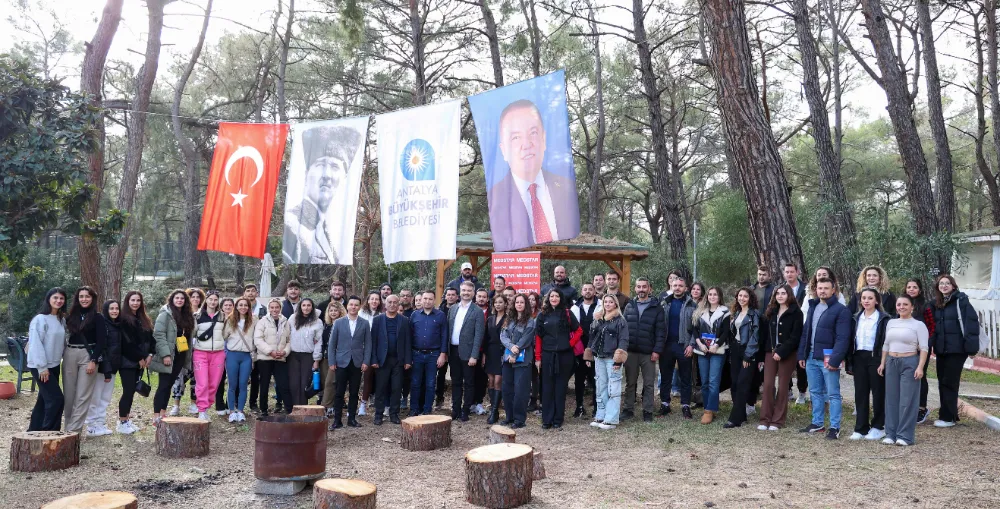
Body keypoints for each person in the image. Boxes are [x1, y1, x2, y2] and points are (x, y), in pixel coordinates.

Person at [488, 99, 581, 251]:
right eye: (516, 137)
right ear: (504, 150)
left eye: (533, 133)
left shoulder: (566, 188)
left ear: (543, 140)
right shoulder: (495, 197)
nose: (526, 144)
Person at [282, 124, 364, 264]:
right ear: (307, 174)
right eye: (321, 165)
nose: (327, 175)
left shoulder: (329, 231)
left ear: (344, 178)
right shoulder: (292, 223)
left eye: (334, 167)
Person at [797, 278, 852, 439]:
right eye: (820, 288)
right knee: (815, 392)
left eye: (826, 288)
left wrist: (835, 359)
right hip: (811, 357)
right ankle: (817, 423)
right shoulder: (812, 307)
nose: (822, 291)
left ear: (833, 290)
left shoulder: (841, 310)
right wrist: (802, 354)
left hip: (829, 358)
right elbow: (806, 332)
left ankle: (834, 427)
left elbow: (843, 338)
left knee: (833, 394)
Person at [879, 295, 930, 446]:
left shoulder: (918, 325)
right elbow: (886, 345)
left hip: (910, 362)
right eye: (899, 304)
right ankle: (890, 433)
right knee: (891, 399)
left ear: (912, 307)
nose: (901, 307)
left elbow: (924, 348)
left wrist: (920, 367)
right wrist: (883, 363)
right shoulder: (891, 322)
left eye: (905, 304)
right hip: (891, 362)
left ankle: (905, 436)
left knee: (907, 400)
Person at [931, 274, 980, 428]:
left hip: (957, 349)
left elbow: (971, 323)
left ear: (953, 286)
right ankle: (947, 414)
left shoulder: (961, 301)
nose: (944, 286)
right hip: (942, 349)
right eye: (941, 283)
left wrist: (972, 348)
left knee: (950, 383)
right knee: (942, 382)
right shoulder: (937, 303)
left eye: (947, 283)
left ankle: (948, 418)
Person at [533, 288, 583, 429]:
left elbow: (579, 330)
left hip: (564, 356)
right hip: (547, 356)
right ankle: (546, 419)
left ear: (561, 298)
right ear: (548, 298)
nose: (554, 298)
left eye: (557, 296)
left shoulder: (567, 313)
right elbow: (538, 337)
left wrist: (569, 344)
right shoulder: (542, 315)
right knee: (547, 388)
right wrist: (538, 357)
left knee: (560, 388)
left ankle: (558, 419)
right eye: (551, 296)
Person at [757, 285, 802, 430]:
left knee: (783, 386)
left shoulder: (796, 313)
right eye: (778, 293)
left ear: (789, 295)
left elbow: (796, 336)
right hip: (770, 352)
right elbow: (765, 336)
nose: (780, 296)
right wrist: (763, 356)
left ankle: (777, 421)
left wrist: (781, 351)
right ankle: (765, 419)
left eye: (783, 293)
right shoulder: (771, 312)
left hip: (788, 353)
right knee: (768, 385)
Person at [848, 287, 890, 441]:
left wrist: (883, 362)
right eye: (864, 298)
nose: (866, 301)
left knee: (878, 392)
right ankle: (861, 428)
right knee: (860, 393)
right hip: (859, 357)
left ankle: (878, 426)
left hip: (876, 358)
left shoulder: (884, 319)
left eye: (870, 298)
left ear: (877, 301)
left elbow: (886, 341)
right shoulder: (855, 317)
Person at [622, 277, 665, 422]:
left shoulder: (657, 307)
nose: (641, 289)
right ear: (635, 289)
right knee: (630, 382)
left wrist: (657, 351)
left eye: (644, 287)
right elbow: (624, 329)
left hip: (648, 352)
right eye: (639, 287)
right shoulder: (629, 306)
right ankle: (628, 409)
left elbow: (661, 332)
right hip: (631, 351)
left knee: (648, 383)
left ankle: (647, 411)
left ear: (649, 289)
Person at [63, 286, 106, 433]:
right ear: (77, 298)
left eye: (87, 296)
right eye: (81, 296)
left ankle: (73, 431)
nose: (84, 299)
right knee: (69, 394)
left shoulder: (98, 317)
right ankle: (67, 426)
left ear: (92, 298)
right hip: (70, 353)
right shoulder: (70, 316)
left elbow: (102, 341)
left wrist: (93, 360)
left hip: (88, 356)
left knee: (83, 395)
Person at [151, 290, 196, 426]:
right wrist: (165, 354)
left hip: (180, 355)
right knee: (163, 385)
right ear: (172, 299)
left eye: (182, 298)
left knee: (169, 385)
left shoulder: (187, 316)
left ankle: (163, 413)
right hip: (168, 355)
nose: (179, 300)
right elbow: (158, 335)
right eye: (177, 298)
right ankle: (156, 416)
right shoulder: (165, 314)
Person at [586, 294, 630, 430]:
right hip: (599, 357)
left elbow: (623, 340)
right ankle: (601, 415)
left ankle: (611, 419)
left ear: (615, 304)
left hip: (612, 358)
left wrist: (618, 359)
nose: (608, 304)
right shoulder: (599, 320)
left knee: (613, 389)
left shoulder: (620, 321)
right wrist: (589, 355)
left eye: (611, 302)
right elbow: (592, 338)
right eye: (606, 302)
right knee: (601, 387)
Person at [27, 288, 67, 432]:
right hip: (41, 366)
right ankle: (49, 432)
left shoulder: (60, 319)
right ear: (48, 299)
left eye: (61, 298)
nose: (58, 301)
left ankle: (33, 431)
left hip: (55, 364)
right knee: (57, 399)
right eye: (55, 297)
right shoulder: (40, 319)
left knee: (43, 400)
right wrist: (42, 367)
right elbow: (35, 344)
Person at [329, 295, 372, 428]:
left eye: (356, 305)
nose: (353, 307)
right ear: (347, 306)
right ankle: (337, 420)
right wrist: (332, 361)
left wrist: (366, 361)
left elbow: (368, 344)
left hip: (357, 361)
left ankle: (352, 419)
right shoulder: (339, 322)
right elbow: (332, 344)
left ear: (359, 307)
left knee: (354, 392)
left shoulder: (364, 323)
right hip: (341, 361)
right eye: (351, 304)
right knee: (339, 392)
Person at [447, 281, 486, 421]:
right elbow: (449, 330)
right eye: (463, 290)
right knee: (456, 382)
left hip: (469, 353)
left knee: (469, 382)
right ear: (460, 291)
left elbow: (479, 335)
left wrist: (474, 355)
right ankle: (455, 409)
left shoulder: (477, 311)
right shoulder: (453, 309)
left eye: (469, 291)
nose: (466, 293)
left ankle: (466, 410)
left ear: (473, 293)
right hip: (453, 350)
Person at [722, 288, 761, 429]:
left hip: (747, 352)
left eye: (745, 296)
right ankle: (742, 415)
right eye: (740, 296)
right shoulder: (737, 313)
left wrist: (748, 355)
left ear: (750, 298)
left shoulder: (754, 315)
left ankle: (735, 419)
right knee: (734, 384)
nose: (742, 298)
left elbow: (755, 337)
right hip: (735, 351)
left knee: (742, 384)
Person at [370, 294, 412, 425]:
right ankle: (378, 414)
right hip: (382, 361)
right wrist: (374, 359)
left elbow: (407, 342)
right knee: (381, 388)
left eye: (395, 302)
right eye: (390, 302)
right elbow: (373, 341)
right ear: (385, 304)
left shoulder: (404, 320)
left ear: (398, 304)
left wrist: (407, 360)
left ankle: (394, 414)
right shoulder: (377, 320)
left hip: (398, 360)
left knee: (396, 388)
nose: (392, 304)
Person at [659, 276, 697, 419]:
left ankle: (685, 406)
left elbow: (696, 328)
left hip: (684, 346)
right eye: (675, 285)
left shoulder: (692, 305)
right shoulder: (664, 304)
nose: (677, 288)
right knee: (666, 376)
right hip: (666, 346)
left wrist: (692, 345)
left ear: (686, 288)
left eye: (680, 286)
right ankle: (665, 404)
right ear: (671, 287)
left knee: (685, 378)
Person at [116, 290, 153, 434]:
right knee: (128, 391)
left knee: (132, 392)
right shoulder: (124, 319)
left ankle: (126, 419)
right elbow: (127, 342)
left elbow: (150, 339)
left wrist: (150, 354)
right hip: (128, 362)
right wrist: (139, 358)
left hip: (141, 361)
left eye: (138, 300)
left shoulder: (144, 318)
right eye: (133, 300)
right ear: (127, 302)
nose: (135, 303)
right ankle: (122, 421)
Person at [84, 300, 122, 437]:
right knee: (96, 397)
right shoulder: (102, 324)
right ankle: (91, 426)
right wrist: (105, 366)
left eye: (117, 308)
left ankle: (100, 423)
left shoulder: (118, 325)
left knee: (105, 398)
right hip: (102, 367)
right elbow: (102, 346)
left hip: (113, 366)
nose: (114, 311)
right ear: (106, 310)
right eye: (111, 308)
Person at [692, 286, 729, 425]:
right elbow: (694, 330)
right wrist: (700, 344)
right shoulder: (700, 311)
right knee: (705, 382)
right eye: (710, 294)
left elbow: (726, 332)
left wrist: (716, 345)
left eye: (715, 294)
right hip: (702, 350)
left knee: (714, 381)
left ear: (719, 296)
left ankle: (709, 410)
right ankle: (709, 407)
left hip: (717, 351)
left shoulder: (724, 312)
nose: (712, 297)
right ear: (707, 296)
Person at [409, 290, 449, 416]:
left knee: (431, 383)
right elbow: (409, 336)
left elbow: (444, 336)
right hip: (416, 354)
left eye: (430, 299)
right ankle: (414, 409)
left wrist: (443, 354)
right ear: (421, 300)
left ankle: (427, 410)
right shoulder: (414, 315)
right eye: (424, 298)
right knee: (415, 383)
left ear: (434, 300)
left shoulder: (440, 316)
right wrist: (409, 356)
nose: (427, 301)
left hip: (433, 354)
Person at [500, 294, 536, 429]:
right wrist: (511, 347)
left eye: (522, 302)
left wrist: (516, 349)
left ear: (525, 304)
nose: (519, 304)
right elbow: (503, 336)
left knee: (521, 390)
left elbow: (526, 340)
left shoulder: (530, 321)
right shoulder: (509, 319)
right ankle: (509, 417)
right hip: (508, 359)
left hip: (523, 360)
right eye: (517, 302)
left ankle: (519, 419)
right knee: (507, 389)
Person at [253, 299, 292, 417]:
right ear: (269, 308)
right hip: (265, 358)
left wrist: (284, 352)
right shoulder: (262, 322)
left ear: (280, 308)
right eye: (272, 307)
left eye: (277, 307)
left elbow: (289, 340)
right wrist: (270, 352)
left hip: (280, 358)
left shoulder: (285, 322)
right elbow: (258, 339)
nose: (274, 309)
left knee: (283, 384)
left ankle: (289, 409)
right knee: (264, 384)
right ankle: (263, 410)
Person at [192, 291, 226, 421]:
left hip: (218, 353)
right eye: (210, 299)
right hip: (201, 353)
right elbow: (193, 334)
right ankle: (201, 409)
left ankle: (207, 407)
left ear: (218, 301)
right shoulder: (197, 316)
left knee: (214, 383)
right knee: (202, 383)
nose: (213, 302)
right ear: (206, 300)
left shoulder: (223, 316)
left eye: (215, 300)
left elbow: (227, 333)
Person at [905, 278, 935, 424]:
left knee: (919, 375)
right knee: (906, 376)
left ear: (920, 290)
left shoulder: (925, 306)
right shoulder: (902, 304)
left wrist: (924, 344)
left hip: (921, 348)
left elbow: (932, 327)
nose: (911, 289)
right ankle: (909, 407)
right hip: (904, 347)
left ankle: (921, 408)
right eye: (909, 287)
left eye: (914, 287)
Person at [223, 298, 257, 422]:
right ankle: (232, 410)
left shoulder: (254, 320)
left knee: (243, 384)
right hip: (232, 355)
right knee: (232, 384)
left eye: (245, 305)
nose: (243, 307)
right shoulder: (230, 320)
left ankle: (241, 410)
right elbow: (223, 336)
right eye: (240, 305)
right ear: (236, 306)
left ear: (249, 307)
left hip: (246, 356)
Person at [287, 298, 324, 408]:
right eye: (304, 305)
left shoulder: (317, 321)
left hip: (308, 356)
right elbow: (286, 335)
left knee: (304, 384)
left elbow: (319, 342)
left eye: (309, 305)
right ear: (300, 307)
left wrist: (316, 360)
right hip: (293, 355)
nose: (306, 308)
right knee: (294, 384)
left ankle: (303, 408)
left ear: (312, 307)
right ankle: (294, 408)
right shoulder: (293, 318)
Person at [571, 283, 599, 418]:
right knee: (579, 379)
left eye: (590, 289)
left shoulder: (601, 305)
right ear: (581, 292)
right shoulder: (574, 308)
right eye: (585, 289)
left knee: (595, 380)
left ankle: (597, 407)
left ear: (594, 291)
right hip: (579, 350)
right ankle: (579, 406)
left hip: (596, 349)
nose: (587, 291)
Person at [783, 263, 809, 405]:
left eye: (792, 271)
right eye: (787, 272)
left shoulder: (805, 289)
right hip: (785, 331)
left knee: (801, 363)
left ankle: (802, 392)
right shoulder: (780, 289)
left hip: (801, 329)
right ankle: (787, 390)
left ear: (797, 272)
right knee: (784, 360)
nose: (789, 274)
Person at [319, 301, 348, 414]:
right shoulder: (327, 325)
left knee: (330, 382)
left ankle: (326, 406)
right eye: (331, 310)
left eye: (336, 310)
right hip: (325, 357)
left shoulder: (343, 325)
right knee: (325, 382)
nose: (333, 312)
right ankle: (333, 406)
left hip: (337, 358)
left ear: (340, 311)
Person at [485, 294, 509, 424]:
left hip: (502, 352)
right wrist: (483, 354)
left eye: (501, 302)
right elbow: (485, 337)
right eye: (496, 302)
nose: (498, 304)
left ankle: (495, 411)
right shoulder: (490, 319)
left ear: (505, 304)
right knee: (491, 380)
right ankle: (492, 409)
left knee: (498, 380)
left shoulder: (509, 319)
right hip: (490, 352)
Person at [358, 291, 383, 416]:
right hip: (363, 350)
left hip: (379, 350)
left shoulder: (382, 314)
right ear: (368, 300)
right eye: (372, 299)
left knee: (379, 379)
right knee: (365, 378)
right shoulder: (361, 313)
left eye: (376, 299)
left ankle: (381, 405)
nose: (374, 301)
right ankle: (362, 404)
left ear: (379, 301)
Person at [472, 288, 492, 415]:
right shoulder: (470, 310)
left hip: (485, 350)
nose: (481, 299)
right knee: (470, 377)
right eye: (479, 296)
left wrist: (485, 352)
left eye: (484, 297)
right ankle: (470, 403)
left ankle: (479, 402)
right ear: (475, 297)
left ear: (487, 299)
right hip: (471, 349)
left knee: (482, 378)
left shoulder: (491, 313)